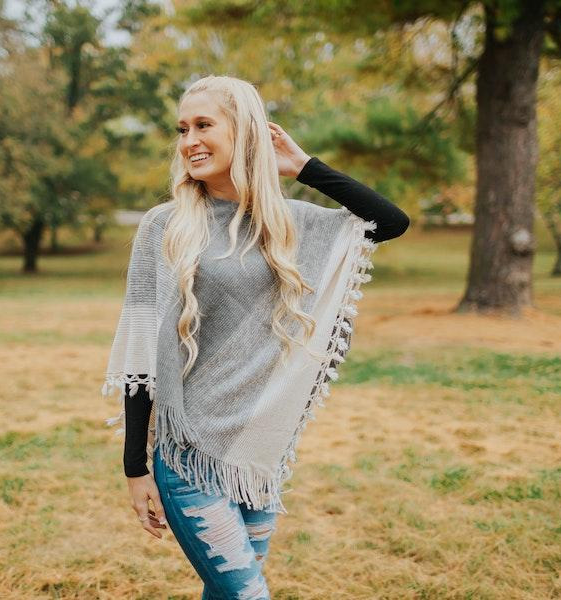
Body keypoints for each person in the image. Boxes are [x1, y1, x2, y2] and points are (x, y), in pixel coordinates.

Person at [102, 75, 409, 599]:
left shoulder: (291, 223)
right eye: (182, 129)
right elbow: (140, 352)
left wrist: (304, 166)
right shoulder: (165, 226)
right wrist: (136, 466)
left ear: (243, 131)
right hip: (186, 454)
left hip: (258, 456)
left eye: (204, 125)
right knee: (247, 594)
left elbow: (390, 221)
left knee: (227, 594)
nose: (189, 141)